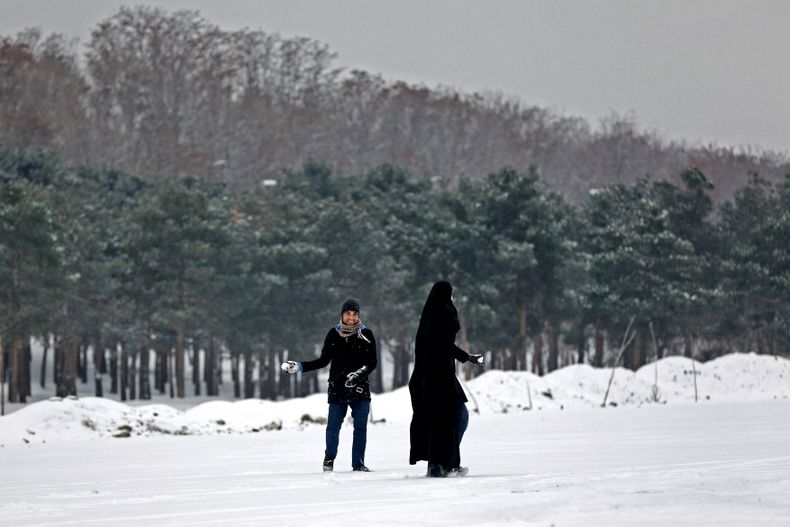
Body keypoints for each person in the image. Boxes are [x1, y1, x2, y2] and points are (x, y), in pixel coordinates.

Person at [282, 298, 377, 472]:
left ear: (358, 316)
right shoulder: (333, 334)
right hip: (338, 388)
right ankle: (329, 459)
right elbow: (323, 361)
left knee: (361, 428)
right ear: (342, 314)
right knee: (333, 427)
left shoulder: (366, 335)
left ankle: (358, 464)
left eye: (355, 314)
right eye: (348, 313)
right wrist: (301, 366)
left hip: (359, 388)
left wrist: (357, 375)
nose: (351, 317)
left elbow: (372, 363)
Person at [408, 281, 484, 477]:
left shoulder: (427, 319)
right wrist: (467, 357)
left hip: (425, 379)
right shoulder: (443, 312)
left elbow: (439, 344)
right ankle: (446, 463)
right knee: (455, 417)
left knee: (437, 422)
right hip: (441, 378)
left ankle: (437, 464)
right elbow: (445, 344)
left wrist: (465, 357)